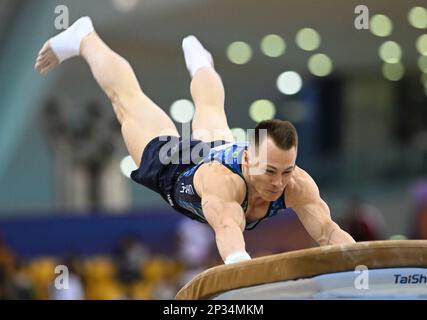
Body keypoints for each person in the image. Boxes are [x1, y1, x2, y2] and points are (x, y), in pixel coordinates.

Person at [35, 16, 355, 265]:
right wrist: (238, 266)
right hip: (173, 163)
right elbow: (229, 230)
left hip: (216, 151)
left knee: (211, 110)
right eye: (270, 171)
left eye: (286, 171)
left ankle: (202, 65)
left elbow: (328, 233)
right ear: (247, 159)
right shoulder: (224, 183)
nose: (278, 183)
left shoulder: (296, 184)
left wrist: (362, 262)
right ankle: (85, 37)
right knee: (126, 102)